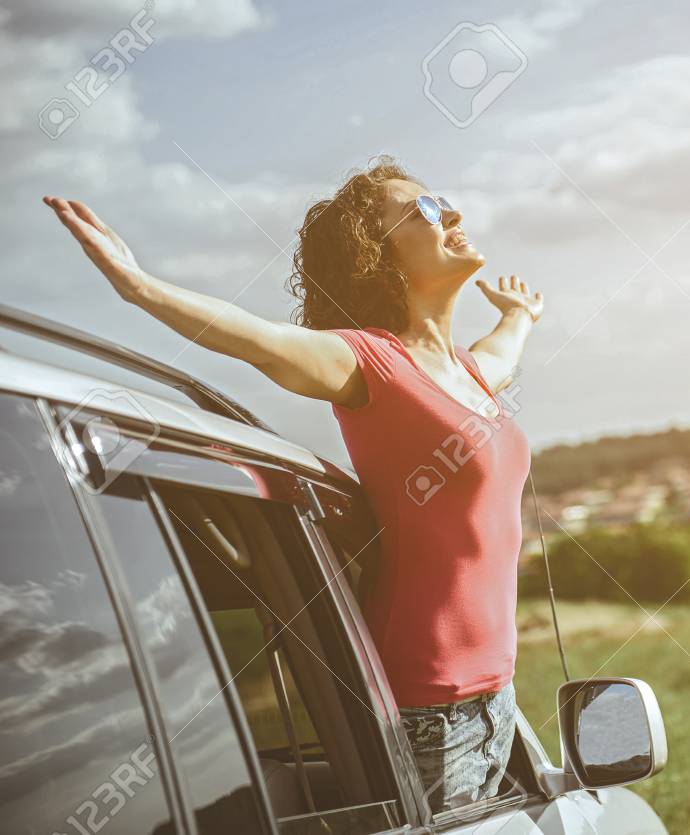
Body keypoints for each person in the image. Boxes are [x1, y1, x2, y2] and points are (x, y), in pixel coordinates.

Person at [43, 155, 543, 816]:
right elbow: (262, 341)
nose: (449, 212)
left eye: (443, 199)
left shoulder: (470, 374)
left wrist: (522, 315)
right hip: (431, 712)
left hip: (498, 699)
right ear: (378, 257)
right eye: (421, 209)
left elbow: (505, 349)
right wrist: (140, 286)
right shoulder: (370, 363)